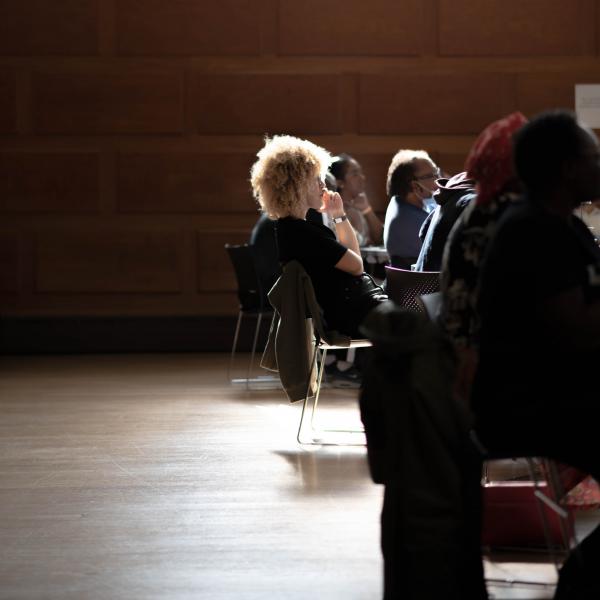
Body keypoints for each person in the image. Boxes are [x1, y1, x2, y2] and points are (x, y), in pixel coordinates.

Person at [472, 110, 600, 598]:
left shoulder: (560, 227)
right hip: (529, 403)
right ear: (567, 169)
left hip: (560, 390)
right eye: (594, 158)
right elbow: (577, 333)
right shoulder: (533, 232)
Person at [250, 135, 387, 338]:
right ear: (298, 185)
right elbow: (357, 266)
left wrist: (338, 215)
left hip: (354, 311)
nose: (324, 185)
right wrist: (339, 216)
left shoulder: (291, 229)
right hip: (356, 316)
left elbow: (354, 261)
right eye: (317, 179)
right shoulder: (304, 234)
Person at [383, 150, 439, 269]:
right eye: (431, 176)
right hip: (418, 285)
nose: (438, 180)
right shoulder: (407, 218)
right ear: (415, 185)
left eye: (437, 173)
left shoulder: (400, 202)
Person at [414, 171, 476, 272]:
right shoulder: (474, 203)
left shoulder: (451, 194)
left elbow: (423, 233)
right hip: (444, 285)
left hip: (423, 283)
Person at [328, 153, 383, 246]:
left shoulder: (360, 205)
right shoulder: (331, 210)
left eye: (361, 173)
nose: (362, 177)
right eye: (355, 174)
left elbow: (380, 239)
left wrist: (367, 209)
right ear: (339, 182)